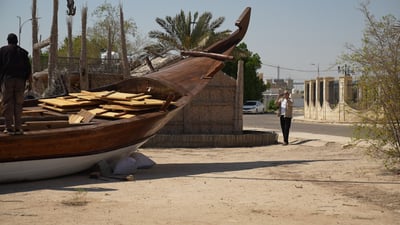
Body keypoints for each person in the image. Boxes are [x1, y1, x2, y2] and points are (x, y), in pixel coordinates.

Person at [0, 33, 32, 135]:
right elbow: (28, 68)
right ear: (17, 41)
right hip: (20, 81)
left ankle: (8, 128)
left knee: (8, 103)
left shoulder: (3, 51)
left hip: (8, 80)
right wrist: (29, 82)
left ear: (7, 41)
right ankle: (18, 128)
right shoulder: (23, 52)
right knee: (18, 104)